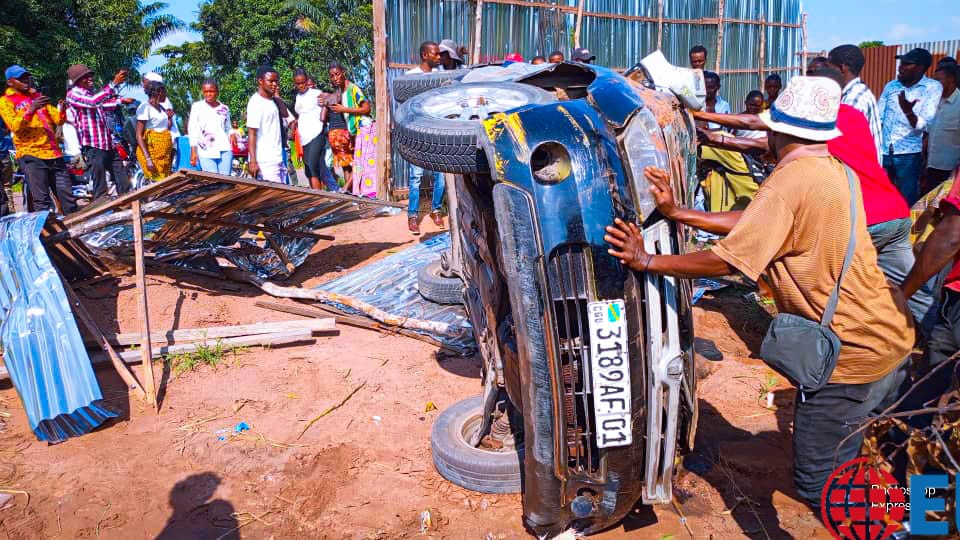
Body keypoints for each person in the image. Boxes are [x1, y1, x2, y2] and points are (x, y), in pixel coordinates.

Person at [607, 76, 914, 507]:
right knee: (901, 458)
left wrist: (648, 261)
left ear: (778, 132)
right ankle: (929, 520)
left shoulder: (790, 182)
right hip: (891, 342)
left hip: (849, 360)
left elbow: (727, 260)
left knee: (820, 485)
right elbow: (760, 220)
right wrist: (680, 212)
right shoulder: (833, 169)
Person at [694, 67, 935, 333]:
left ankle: (826, 336)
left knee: (801, 265)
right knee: (913, 290)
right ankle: (933, 347)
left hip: (863, 218)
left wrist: (700, 117)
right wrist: (716, 138)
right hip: (894, 212)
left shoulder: (819, 125)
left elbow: (756, 129)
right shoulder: (851, 116)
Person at [0, 65, 76, 214]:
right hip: (31, 154)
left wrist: (63, 110)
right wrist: (31, 109)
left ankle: (76, 232)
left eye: (27, 77)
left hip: (53, 153)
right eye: (21, 79)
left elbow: (57, 120)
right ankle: (47, 235)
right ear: (10, 82)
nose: (26, 81)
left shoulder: (37, 96)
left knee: (67, 197)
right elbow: (14, 126)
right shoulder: (5, 101)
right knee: (42, 201)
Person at [878, 47, 942, 205]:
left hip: (908, 155)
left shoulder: (932, 88)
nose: (901, 67)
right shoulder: (891, 86)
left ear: (920, 68)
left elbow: (926, 125)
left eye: (907, 64)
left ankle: (906, 230)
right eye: (901, 62)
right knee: (882, 198)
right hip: (884, 151)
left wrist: (909, 112)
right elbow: (879, 117)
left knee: (906, 201)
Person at [66, 63, 131, 198]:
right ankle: (101, 213)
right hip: (93, 146)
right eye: (86, 76)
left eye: (90, 75)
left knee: (122, 177)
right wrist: (113, 84)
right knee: (100, 183)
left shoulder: (90, 94)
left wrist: (120, 101)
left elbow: (103, 104)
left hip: (107, 143)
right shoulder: (73, 94)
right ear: (78, 80)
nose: (90, 78)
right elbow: (93, 102)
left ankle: (129, 205)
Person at [404, 43, 445, 233]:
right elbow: (404, 105)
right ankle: (412, 216)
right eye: (435, 54)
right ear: (424, 55)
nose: (439, 57)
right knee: (416, 177)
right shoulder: (411, 77)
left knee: (441, 177)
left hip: (437, 134)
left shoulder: (441, 76)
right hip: (417, 135)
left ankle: (435, 210)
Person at [828, 44, 883, 163]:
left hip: (858, 171)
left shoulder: (854, 99)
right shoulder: (854, 93)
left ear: (842, 68)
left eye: (829, 68)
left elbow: (844, 146)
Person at [327, 62, 371, 194]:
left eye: (337, 74)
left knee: (358, 163)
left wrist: (344, 109)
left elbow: (367, 108)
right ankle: (352, 193)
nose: (335, 78)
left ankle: (346, 189)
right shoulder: (342, 92)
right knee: (351, 164)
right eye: (332, 76)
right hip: (355, 132)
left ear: (343, 73)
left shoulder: (353, 89)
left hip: (364, 129)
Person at [247, 66, 292, 183]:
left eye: (276, 81)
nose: (274, 84)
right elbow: (252, 134)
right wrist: (252, 161)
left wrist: (277, 97)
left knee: (280, 195)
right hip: (265, 161)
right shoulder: (255, 102)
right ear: (260, 81)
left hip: (277, 157)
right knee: (271, 197)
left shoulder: (273, 101)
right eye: (270, 81)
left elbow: (285, 114)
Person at [292, 68, 335, 190]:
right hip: (304, 138)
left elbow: (333, 97)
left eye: (303, 82)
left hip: (316, 135)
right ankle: (319, 196)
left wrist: (327, 101)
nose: (301, 85)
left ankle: (319, 196)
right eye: (298, 83)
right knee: (309, 170)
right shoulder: (298, 97)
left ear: (307, 81)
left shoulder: (316, 93)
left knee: (312, 165)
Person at [187, 79, 232, 175]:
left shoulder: (224, 108)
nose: (208, 94)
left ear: (217, 92)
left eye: (211, 91)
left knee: (226, 181)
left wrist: (232, 135)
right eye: (206, 92)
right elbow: (192, 129)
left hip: (224, 149)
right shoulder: (197, 107)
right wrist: (193, 151)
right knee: (212, 180)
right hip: (205, 150)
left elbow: (228, 128)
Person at [926, 61, 960, 187]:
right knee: (930, 203)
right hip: (931, 166)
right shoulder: (933, 102)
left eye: (938, 81)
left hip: (951, 170)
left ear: (951, 79)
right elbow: (929, 133)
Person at [135, 81, 174, 181]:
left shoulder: (161, 108)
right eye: (165, 92)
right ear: (159, 92)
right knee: (157, 182)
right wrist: (148, 159)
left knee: (165, 181)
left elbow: (166, 128)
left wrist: (169, 118)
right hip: (152, 153)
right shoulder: (145, 107)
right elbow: (139, 135)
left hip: (164, 153)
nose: (166, 95)